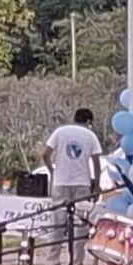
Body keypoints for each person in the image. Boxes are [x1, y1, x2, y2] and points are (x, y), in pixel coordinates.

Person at [42, 107, 103, 257]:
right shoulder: (90, 136)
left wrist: (52, 170)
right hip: (82, 183)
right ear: (89, 121)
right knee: (80, 224)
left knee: (57, 223)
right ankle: (77, 263)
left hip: (60, 182)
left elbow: (45, 155)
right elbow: (96, 163)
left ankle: (52, 263)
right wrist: (97, 184)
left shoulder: (60, 132)